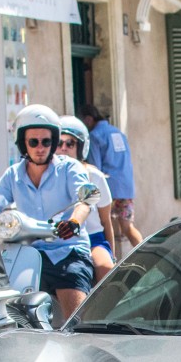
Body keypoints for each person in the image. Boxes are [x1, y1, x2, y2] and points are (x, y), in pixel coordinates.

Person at [0, 103, 95, 318]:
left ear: (53, 142)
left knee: (75, 319)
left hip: (67, 253)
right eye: (33, 142)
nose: (40, 147)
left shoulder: (69, 168)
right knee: (4, 311)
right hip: (28, 254)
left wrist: (74, 223)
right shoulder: (12, 176)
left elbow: (86, 199)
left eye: (46, 141)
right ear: (22, 144)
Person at [57, 115, 116, 284]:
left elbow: (106, 221)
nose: (64, 148)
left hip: (93, 239)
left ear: (81, 146)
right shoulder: (48, 177)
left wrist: (111, 254)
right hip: (59, 241)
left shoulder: (94, 176)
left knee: (105, 268)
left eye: (70, 143)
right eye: (59, 143)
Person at [78, 104, 142, 253]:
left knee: (105, 224)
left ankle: (110, 259)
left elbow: (95, 168)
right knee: (127, 227)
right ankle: (146, 255)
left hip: (109, 189)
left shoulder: (94, 136)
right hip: (126, 187)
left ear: (88, 119)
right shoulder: (118, 132)